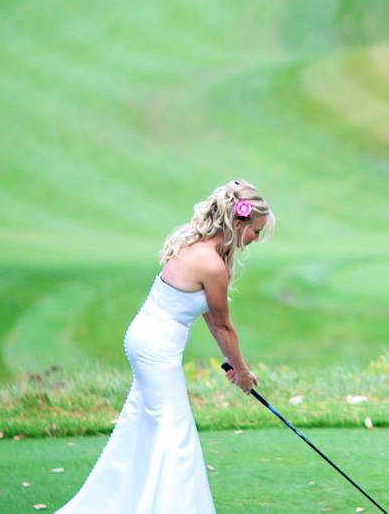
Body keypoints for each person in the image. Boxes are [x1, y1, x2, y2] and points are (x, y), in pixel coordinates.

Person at [55, 180, 275, 514]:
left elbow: (206, 315)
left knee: (141, 428)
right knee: (175, 433)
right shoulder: (212, 264)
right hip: (155, 348)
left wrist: (235, 364)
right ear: (239, 222)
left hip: (147, 341)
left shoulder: (199, 247)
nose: (255, 240)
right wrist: (242, 372)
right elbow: (222, 324)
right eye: (256, 231)